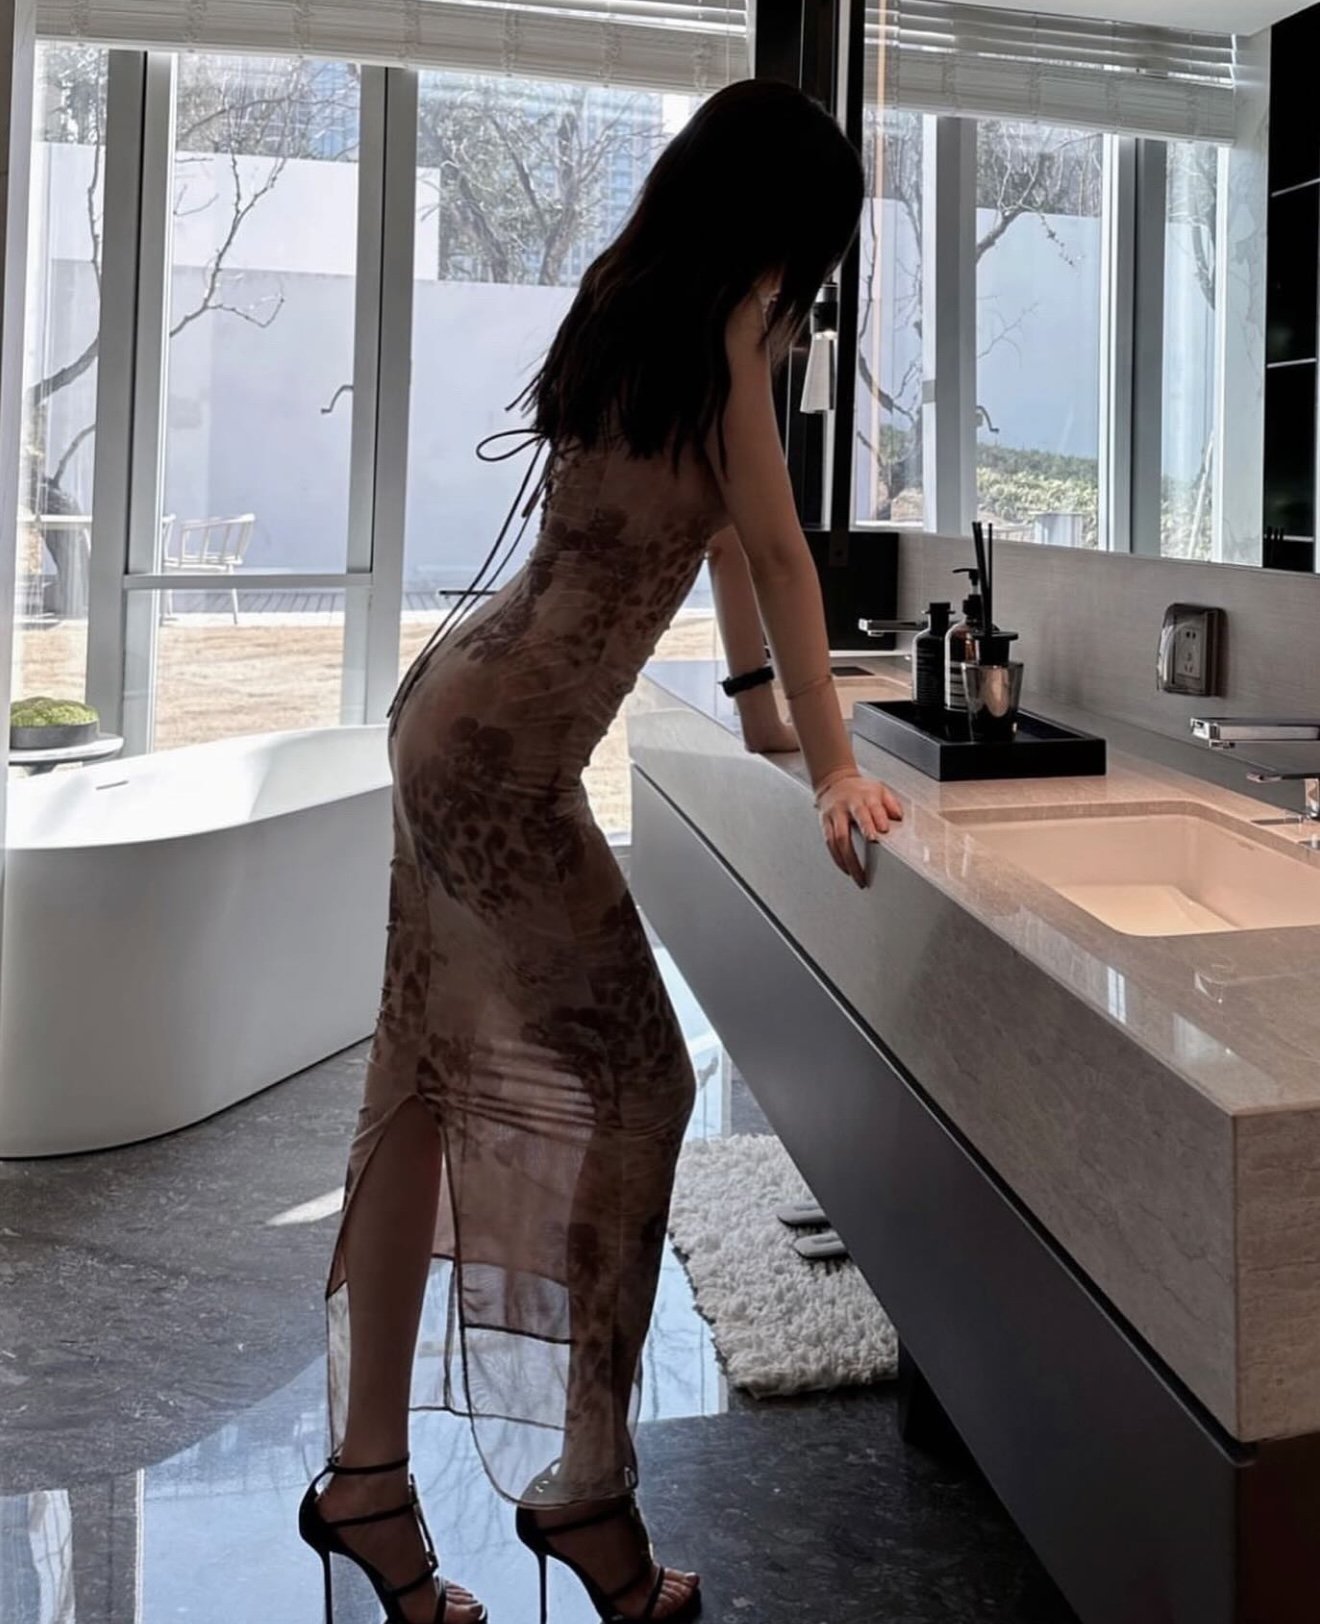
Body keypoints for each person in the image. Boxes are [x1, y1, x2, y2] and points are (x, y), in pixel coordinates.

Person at [296, 77, 903, 1624]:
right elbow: (780, 549)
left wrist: (768, 714)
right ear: (784, 223)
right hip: (503, 765)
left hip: (455, 717)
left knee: (415, 1087)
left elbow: (718, 536)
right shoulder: (727, 333)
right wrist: (836, 763)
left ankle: (367, 1485)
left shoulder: (639, 303)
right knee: (645, 1087)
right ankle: (582, 1488)